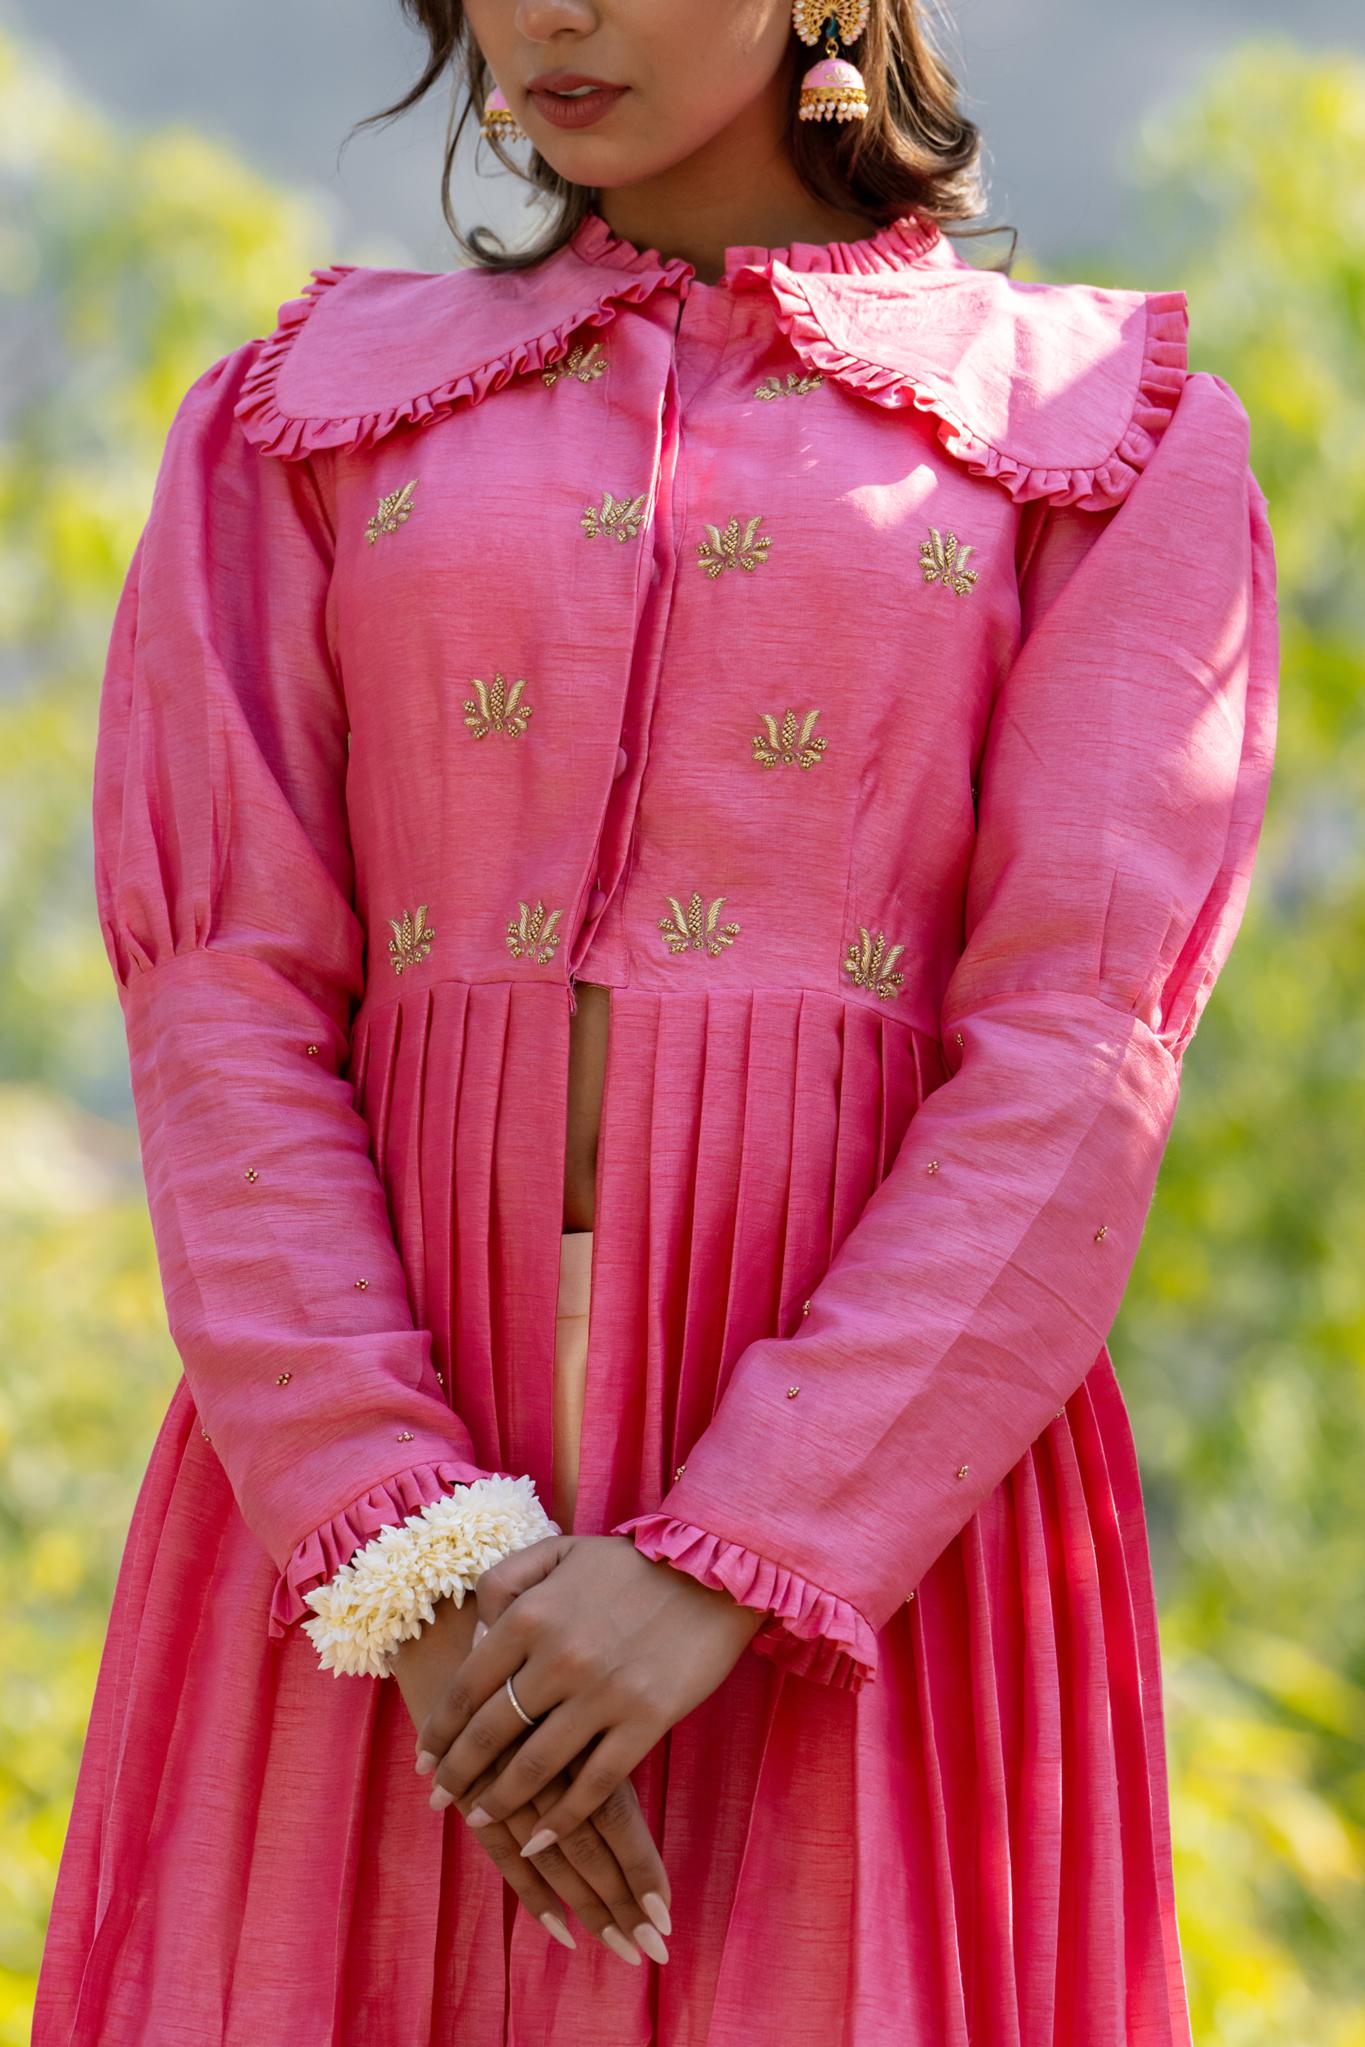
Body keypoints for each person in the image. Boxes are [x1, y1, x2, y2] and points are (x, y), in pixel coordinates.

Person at [32, 0, 1280, 2041]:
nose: (548, 16)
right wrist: (412, 1563)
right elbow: (219, 993)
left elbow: (1077, 1052)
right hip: (369, 1533)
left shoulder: (1103, 427)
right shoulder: (294, 417)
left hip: (870, 1547)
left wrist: (729, 1566)